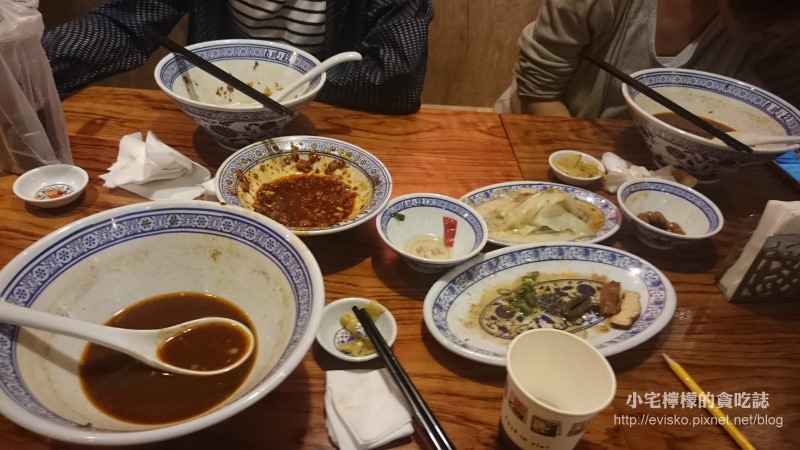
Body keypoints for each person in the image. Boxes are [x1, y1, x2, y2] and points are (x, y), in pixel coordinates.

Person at [42, 0, 434, 115]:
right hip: (219, 119)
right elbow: (126, 21)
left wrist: (293, 90)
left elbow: (395, 81)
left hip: (327, 123)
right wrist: (32, 68)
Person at [494, 0, 800, 118]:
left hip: (680, 175)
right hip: (548, 132)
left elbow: (784, 123)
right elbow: (539, 92)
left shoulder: (783, 23)